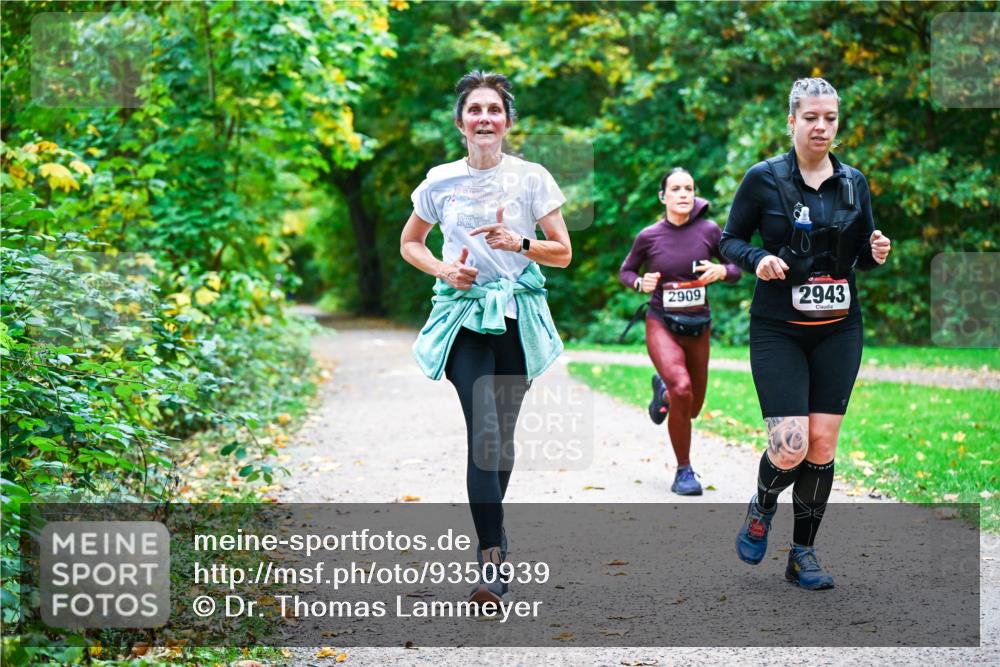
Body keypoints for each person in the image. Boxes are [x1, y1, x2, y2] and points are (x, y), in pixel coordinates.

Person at [400, 71, 572, 605]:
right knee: (485, 433)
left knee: (501, 438)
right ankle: (490, 558)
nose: (484, 119)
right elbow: (410, 243)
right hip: (463, 318)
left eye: (493, 110)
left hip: (516, 316)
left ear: (507, 122)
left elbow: (562, 251)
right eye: (474, 110)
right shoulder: (439, 181)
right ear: (460, 123)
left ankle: (493, 530)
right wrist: (444, 270)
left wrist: (520, 242)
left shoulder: (532, 178)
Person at [720, 77, 892, 590]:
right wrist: (760, 259)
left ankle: (803, 554)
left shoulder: (854, 182)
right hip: (778, 329)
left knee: (821, 445)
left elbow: (860, 253)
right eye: (811, 117)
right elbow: (730, 241)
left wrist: (876, 254)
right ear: (792, 120)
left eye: (830, 118)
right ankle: (763, 503)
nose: (821, 127)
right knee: (790, 446)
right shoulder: (763, 179)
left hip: (840, 329)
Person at [620, 169, 741, 495]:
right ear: (663, 197)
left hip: (698, 326)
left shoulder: (710, 230)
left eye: (689, 188)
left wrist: (721, 270)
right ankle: (684, 471)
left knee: (693, 406)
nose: (684, 194)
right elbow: (626, 270)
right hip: (661, 322)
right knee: (683, 388)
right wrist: (638, 282)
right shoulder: (649, 236)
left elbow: (736, 268)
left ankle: (664, 390)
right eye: (676, 189)